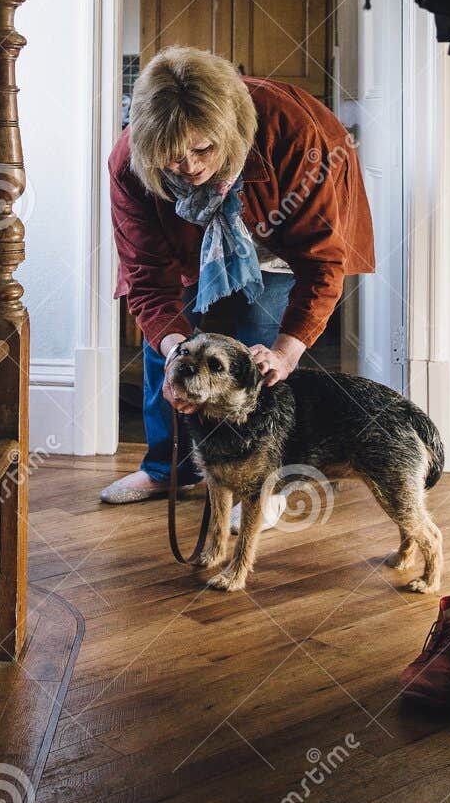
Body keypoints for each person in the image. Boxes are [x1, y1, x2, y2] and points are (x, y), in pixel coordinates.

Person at [101, 46, 375, 508]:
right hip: (192, 243)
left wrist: (287, 353)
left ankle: (259, 485)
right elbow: (147, 280)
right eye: (170, 157)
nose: (188, 167)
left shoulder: (295, 132)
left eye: (202, 148)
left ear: (226, 132)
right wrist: (175, 354)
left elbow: (319, 262)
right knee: (172, 353)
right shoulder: (129, 162)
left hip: (280, 242)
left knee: (259, 353)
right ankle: (167, 470)